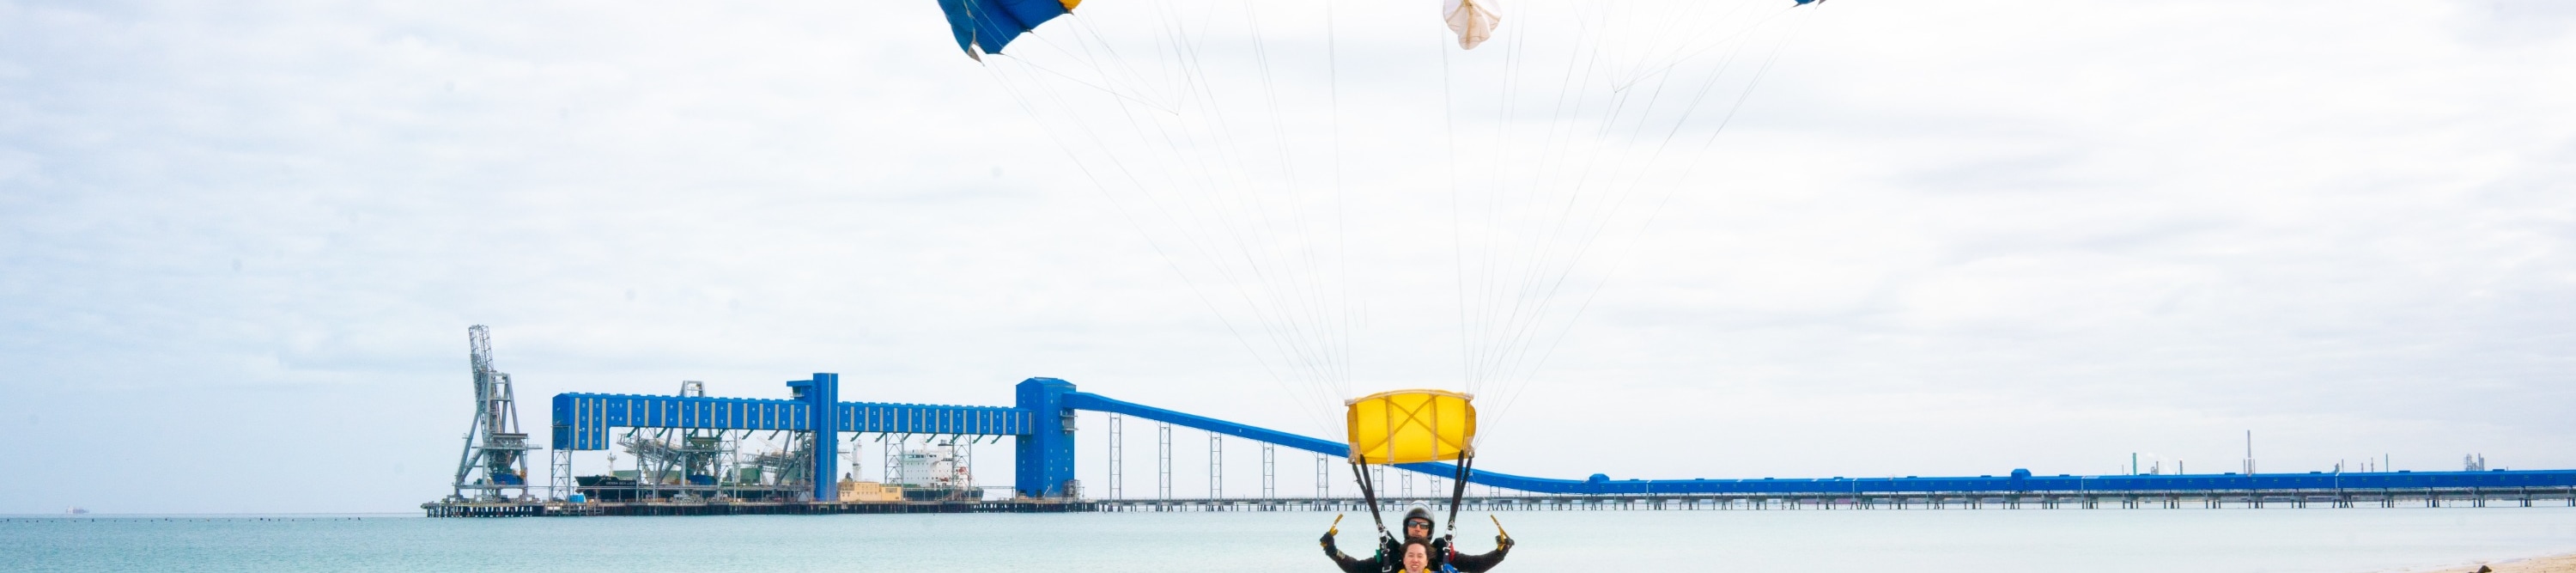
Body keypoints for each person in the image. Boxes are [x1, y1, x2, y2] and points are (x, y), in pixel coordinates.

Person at [1322, 506, 1513, 573]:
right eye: (1413, 524)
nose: (1417, 529)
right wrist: (1333, 551)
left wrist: (1500, 553)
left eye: (1423, 526)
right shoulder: (1392, 555)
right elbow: (1357, 569)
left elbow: (1475, 566)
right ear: (1406, 527)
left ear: (1430, 530)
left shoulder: (1441, 553)